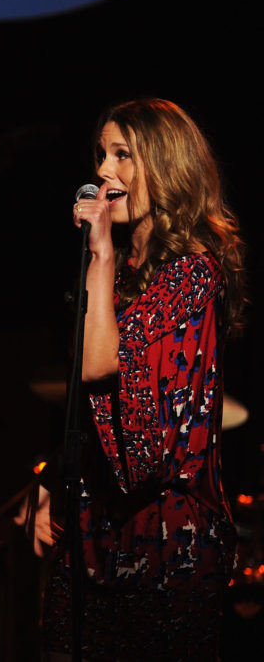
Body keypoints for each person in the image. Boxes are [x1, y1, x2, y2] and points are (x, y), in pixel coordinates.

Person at [48, 98, 246, 659]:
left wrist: (101, 255)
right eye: (101, 156)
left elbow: (100, 366)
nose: (103, 173)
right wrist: (48, 480)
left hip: (165, 537)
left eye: (122, 155)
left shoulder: (194, 273)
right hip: (95, 528)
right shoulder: (118, 272)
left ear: (166, 165)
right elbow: (88, 402)